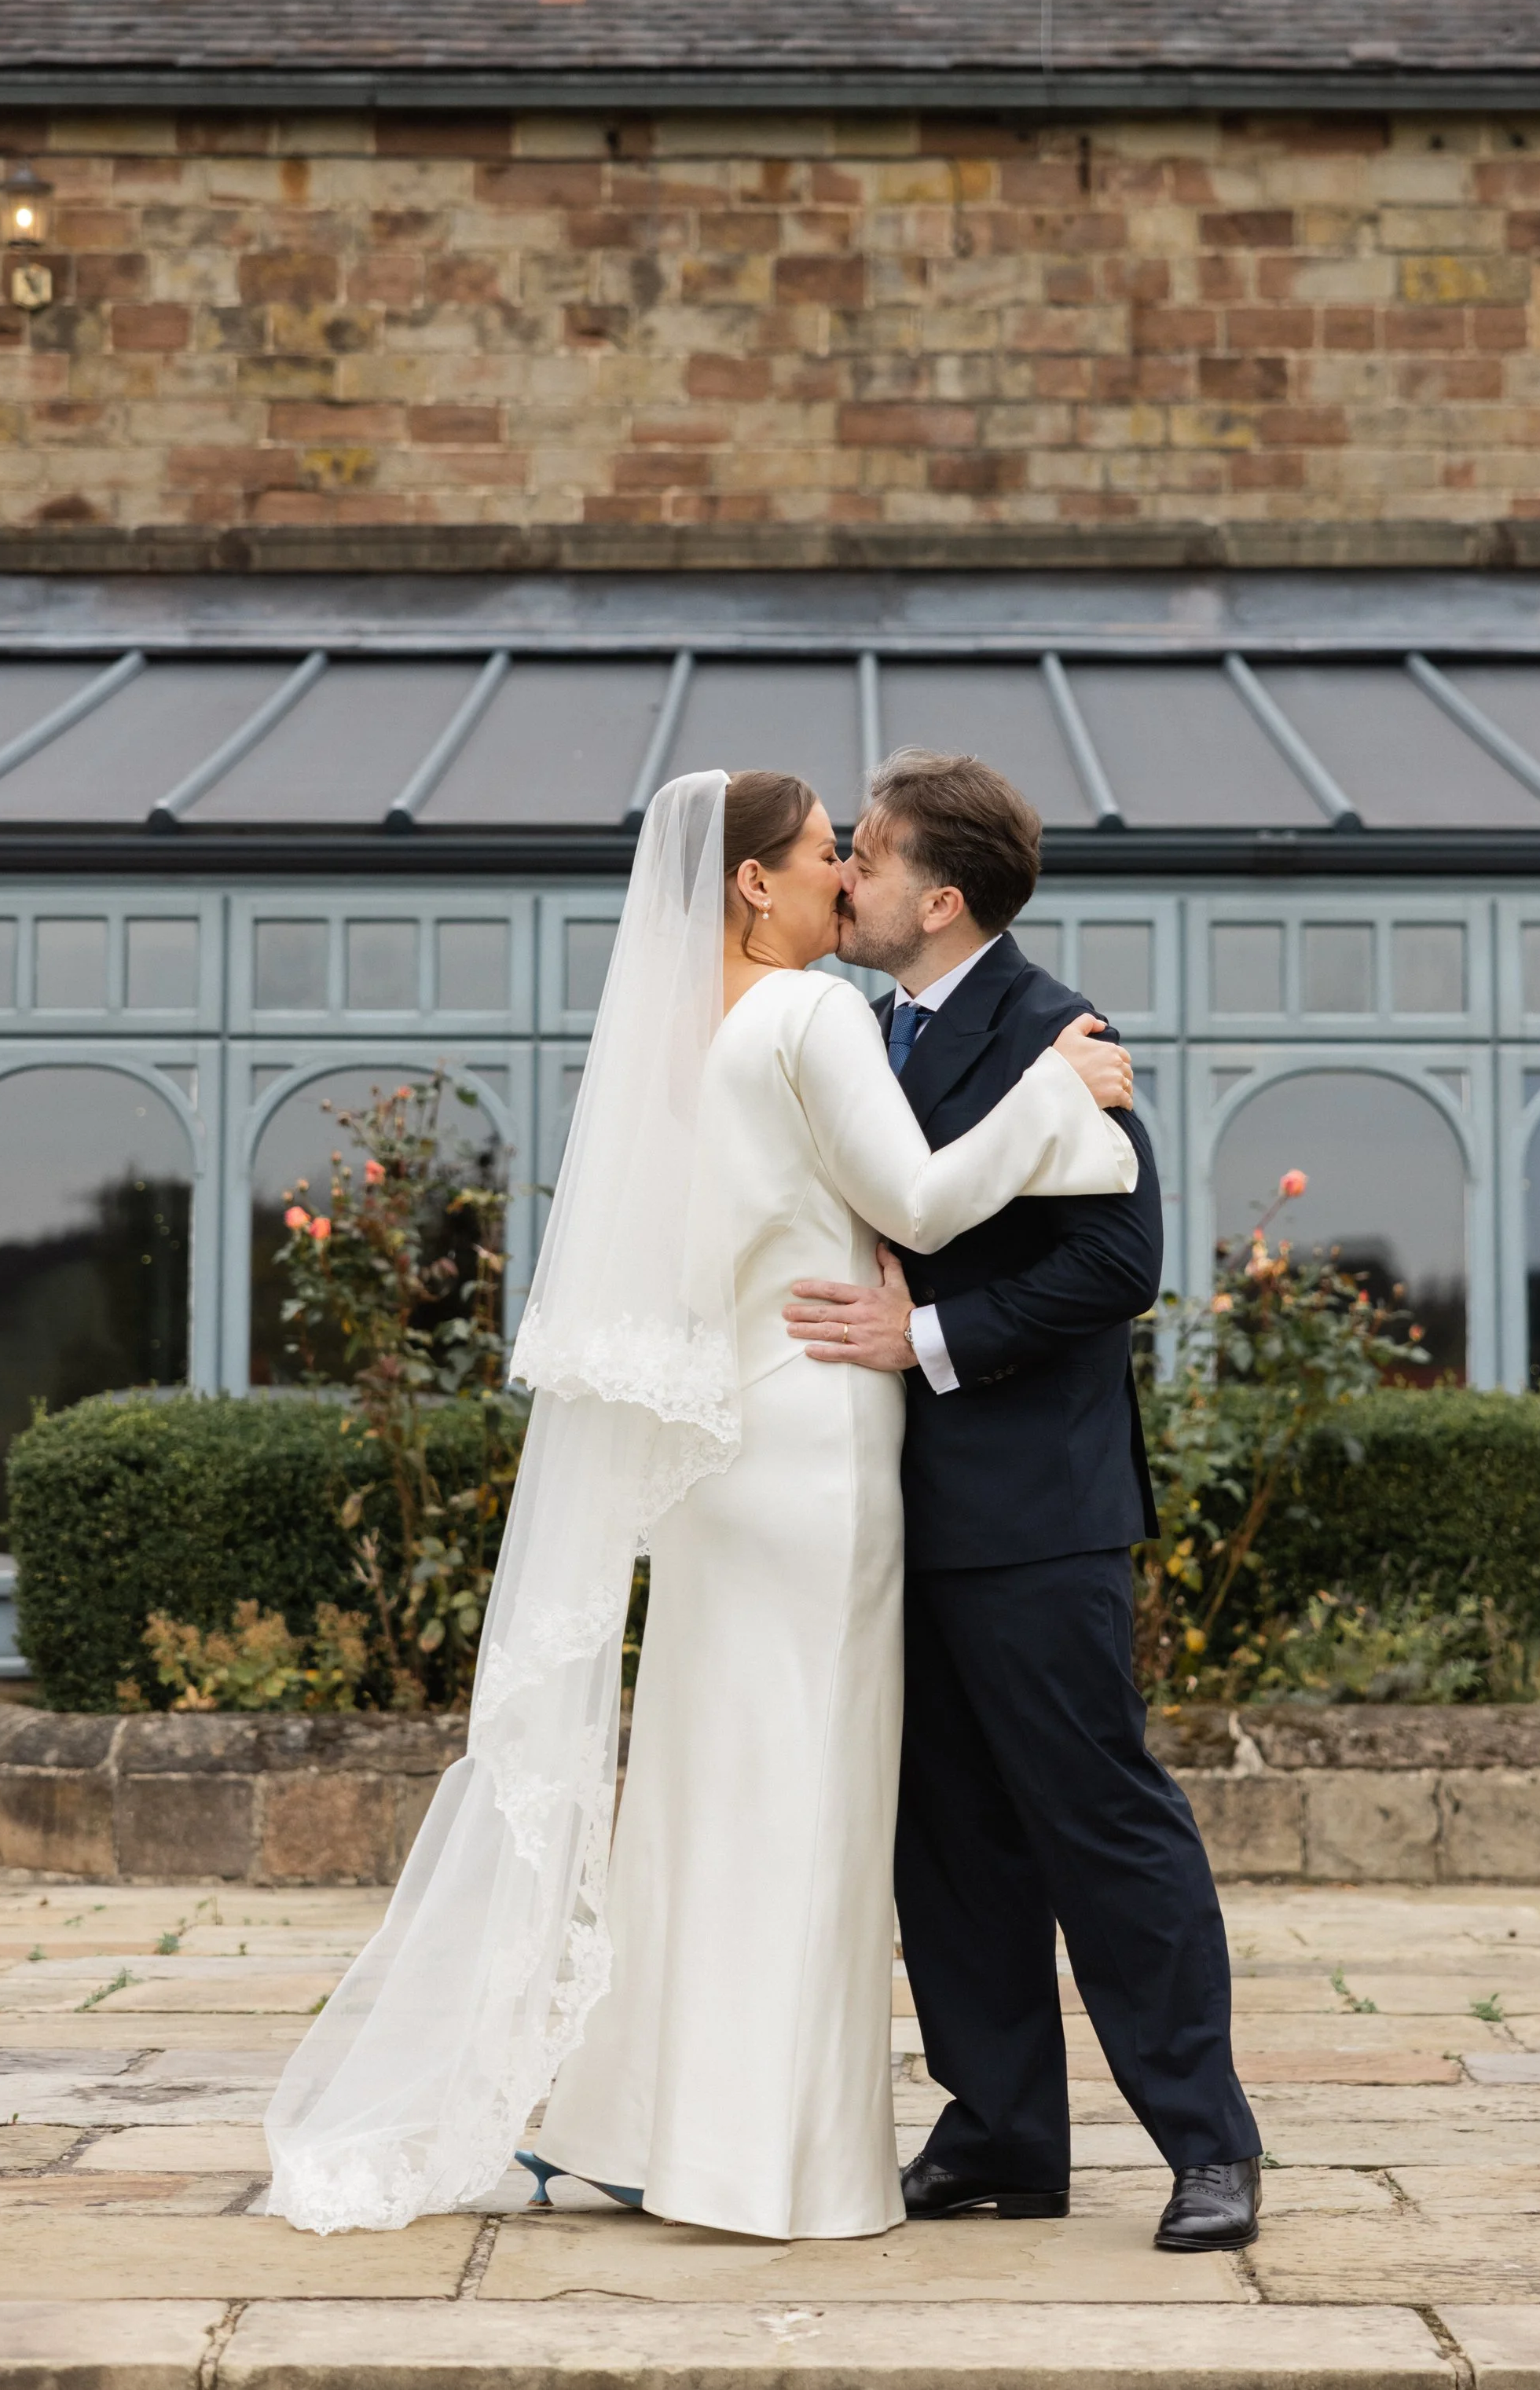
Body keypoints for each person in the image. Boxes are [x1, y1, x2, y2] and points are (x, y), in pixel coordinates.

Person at [265, 767, 1136, 2241]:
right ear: (751, 883)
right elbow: (919, 1204)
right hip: (818, 1445)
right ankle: (766, 2160)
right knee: (806, 1801)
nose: (841, 877)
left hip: (723, 1449)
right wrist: (1059, 1095)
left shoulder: (686, 1032)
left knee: (703, 1785)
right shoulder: (805, 1014)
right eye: (819, 854)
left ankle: (640, 2122)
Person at [785, 749, 1263, 2255]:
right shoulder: (864, 1027)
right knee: (947, 1839)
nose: (843, 875)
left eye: (862, 852)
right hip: (891, 1508)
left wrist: (922, 1338)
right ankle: (1001, 2134)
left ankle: (1210, 2145)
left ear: (942, 893)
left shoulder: (1064, 1032)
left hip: (1038, 1511)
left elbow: (1121, 1266)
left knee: (1101, 1822)